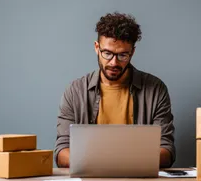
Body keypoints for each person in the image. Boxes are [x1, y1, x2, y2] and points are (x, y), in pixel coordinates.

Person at [54, 12, 176, 168]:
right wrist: (107, 164)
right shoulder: (75, 91)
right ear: (97, 48)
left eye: (123, 55)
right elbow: (61, 151)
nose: (113, 62)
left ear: (132, 52)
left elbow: (167, 150)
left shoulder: (155, 90)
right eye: (107, 53)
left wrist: (115, 164)